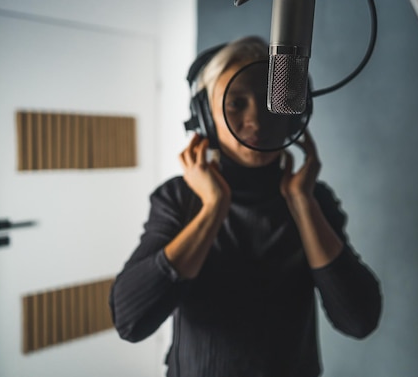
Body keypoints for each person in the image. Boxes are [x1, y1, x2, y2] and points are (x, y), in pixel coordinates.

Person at [109, 36, 382, 377]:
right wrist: (213, 209)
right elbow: (131, 321)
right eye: (236, 103)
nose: (257, 121)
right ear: (206, 117)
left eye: (273, 104)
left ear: (293, 117)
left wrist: (303, 203)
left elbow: (359, 320)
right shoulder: (179, 199)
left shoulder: (314, 199)